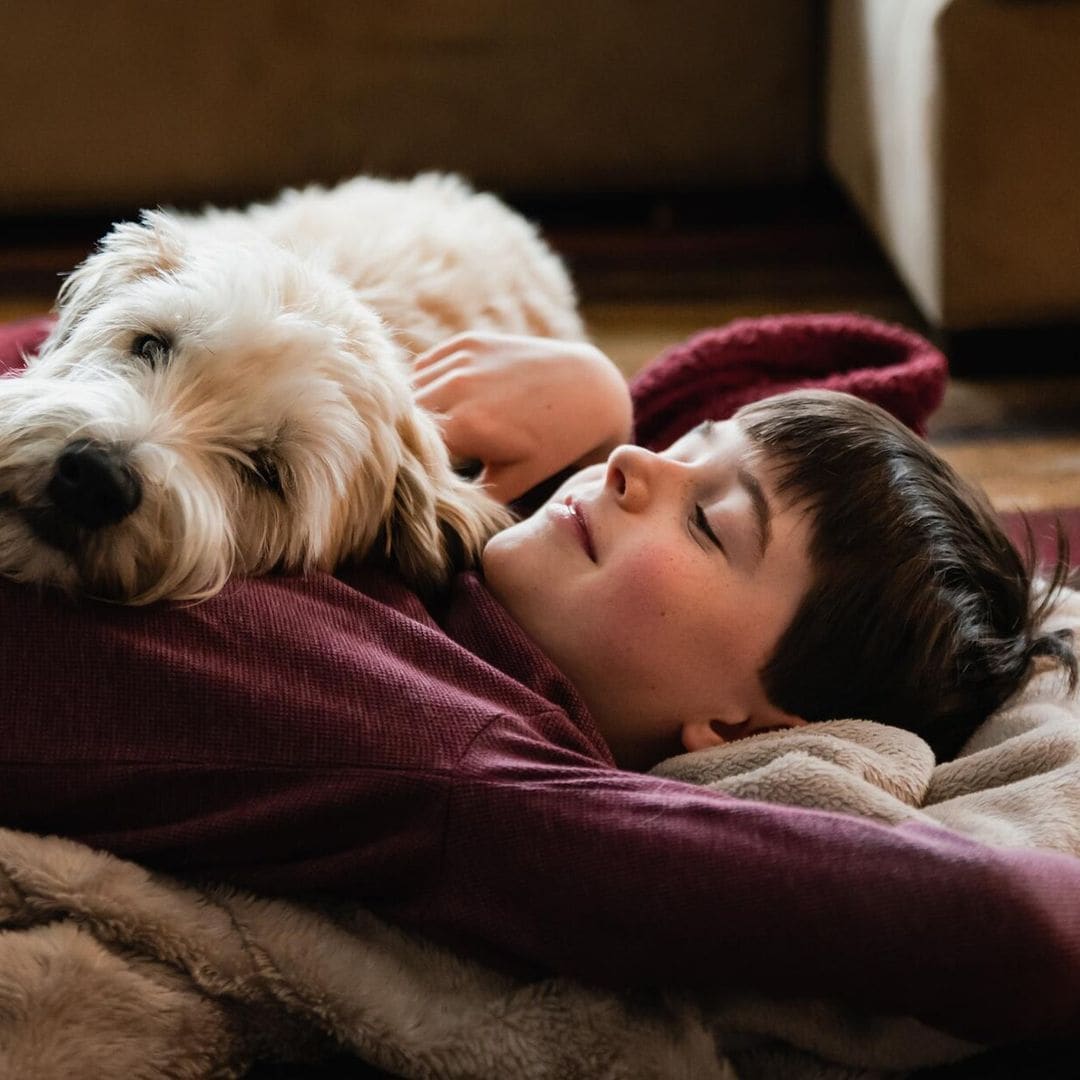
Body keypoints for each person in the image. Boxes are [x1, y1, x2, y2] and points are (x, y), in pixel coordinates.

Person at [0, 329, 1078, 1044]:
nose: (628, 465)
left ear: (741, 727)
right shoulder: (448, 551)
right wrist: (593, 389)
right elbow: (854, 365)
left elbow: (1007, 925)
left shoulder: (463, 760)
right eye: (670, 447)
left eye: (707, 521)